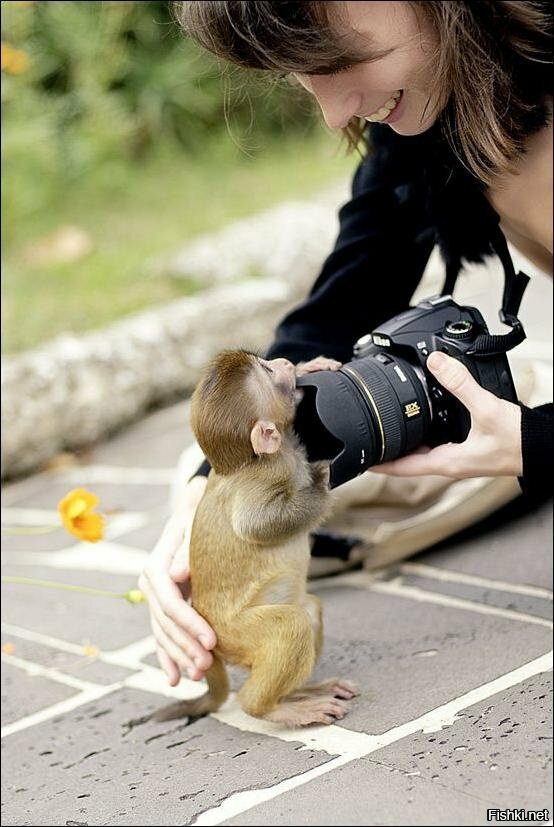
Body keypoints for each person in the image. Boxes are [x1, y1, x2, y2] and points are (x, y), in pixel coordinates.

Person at [138, 1, 553, 687]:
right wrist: (208, 497)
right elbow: (353, 287)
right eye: (304, 72)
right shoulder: (438, 95)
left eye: (340, 59)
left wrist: (535, 444)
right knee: (272, 460)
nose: (335, 113)